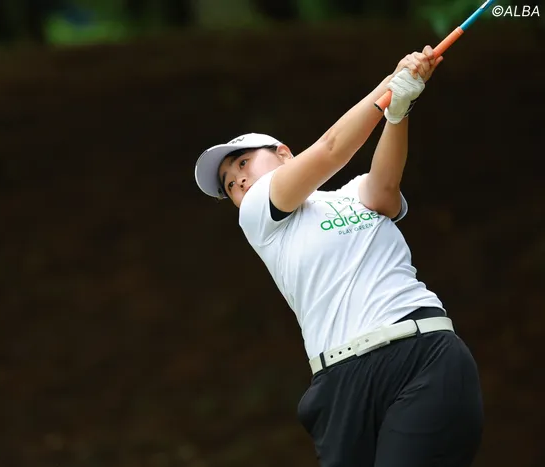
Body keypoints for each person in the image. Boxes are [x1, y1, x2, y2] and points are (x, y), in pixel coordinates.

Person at [193, 46, 483, 467]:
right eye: (227, 184)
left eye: (242, 163)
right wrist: (391, 84)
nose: (236, 180)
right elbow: (332, 148)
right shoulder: (258, 214)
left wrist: (399, 108)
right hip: (342, 383)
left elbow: (384, 193)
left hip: (423, 354)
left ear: (284, 153)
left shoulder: (353, 193)